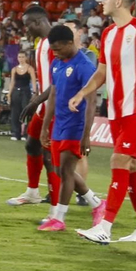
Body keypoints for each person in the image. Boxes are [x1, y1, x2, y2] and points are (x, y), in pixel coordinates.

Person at [72, 0, 136, 244]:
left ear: (118, 2)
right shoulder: (108, 34)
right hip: (114, 111)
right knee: (133, 166)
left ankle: (105, 225)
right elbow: (101, 73)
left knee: (118, 161)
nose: (102, 2)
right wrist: (83, 93)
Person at [8, 6, 97, 213]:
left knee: (53, 160)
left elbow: (59, 83)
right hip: (44, 106)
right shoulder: (41, 43)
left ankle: (57, 206)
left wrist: (37, 100)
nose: (25, 29)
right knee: (32, 145)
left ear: (38, 22)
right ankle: (33, 191)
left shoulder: (55, 46)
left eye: (27, 24)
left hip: (57, 108)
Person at [37, 25, 94, 232]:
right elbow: (53, 95)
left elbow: (92, 102)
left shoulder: (85, 66)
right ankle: (97, 203)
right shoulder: (57, 62)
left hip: (76, 125)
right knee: (60, 170)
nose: (56, 53)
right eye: (53, 50)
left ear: (71, 43)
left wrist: (86, 135)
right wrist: (45, 126)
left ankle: (59, 218)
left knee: (67, 170)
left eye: (59, 49)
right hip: (59, 124)